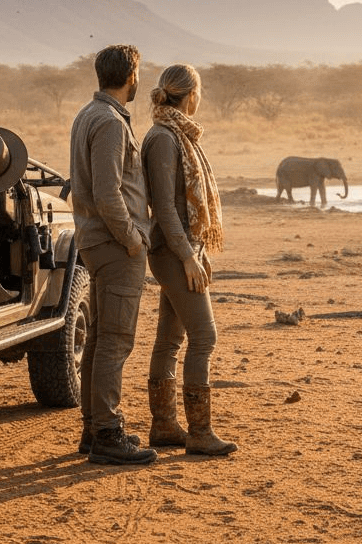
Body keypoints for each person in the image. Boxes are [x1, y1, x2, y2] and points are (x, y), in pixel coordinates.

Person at [141, 63, 237, 456]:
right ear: (191, 94)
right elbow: (164, 208)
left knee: (170, 339)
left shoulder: (177, 135)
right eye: (200, 91)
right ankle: (199, 432)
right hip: (170, 251)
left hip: (179, 249)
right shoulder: (164, 138)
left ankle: (164, 425)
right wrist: (188, 257)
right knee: (204, 337)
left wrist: (196, 252)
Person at [67, 44, 157, 465]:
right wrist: (133, 238)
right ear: (131, 75)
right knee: (115, 341)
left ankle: (93, 428)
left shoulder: (90, 113)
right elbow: (108, 193)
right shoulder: (109, 121)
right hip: (114, 243)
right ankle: (107, 432)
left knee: (102, 338)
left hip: (96, 241)